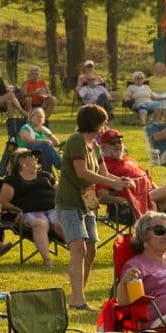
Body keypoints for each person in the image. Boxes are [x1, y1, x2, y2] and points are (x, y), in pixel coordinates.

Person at [59, 104, 128, 310]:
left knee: (91, 249)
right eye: (103, 122)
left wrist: (120, 180)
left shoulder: (95, 145)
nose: (105, 126)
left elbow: (103, 174)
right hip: (70, 202)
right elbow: (81, 172)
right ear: (95, 123)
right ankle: (79, 300)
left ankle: (76, 295)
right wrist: (113, 184)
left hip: (88, 203)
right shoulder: (76, 141)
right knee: (78, 248)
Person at [0, 150, 60, 264]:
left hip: (52, 210)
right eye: (32, 157)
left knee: (63, 221)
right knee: (40, 224)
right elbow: (3, 202)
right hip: (30, 213)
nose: (36, 159)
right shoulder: (13, 180)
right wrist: (17, 211)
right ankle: (47, 261)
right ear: (22, 162)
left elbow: (61, 192)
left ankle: (78, 254)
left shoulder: (45, 176)